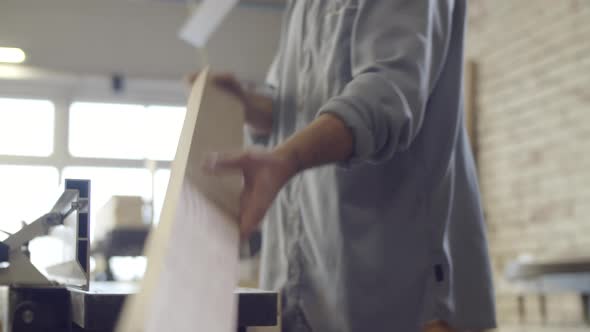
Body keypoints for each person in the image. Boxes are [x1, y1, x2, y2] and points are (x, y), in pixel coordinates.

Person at [201, 1, 496, 331]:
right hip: (307, 289)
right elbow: (290, 104)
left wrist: (288, 158)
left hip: (398, 294)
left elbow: (386, 96)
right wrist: (247, 103)